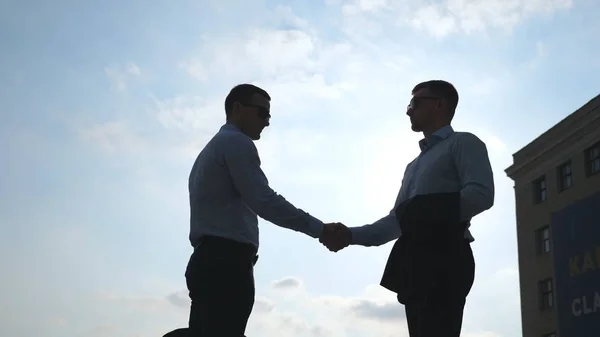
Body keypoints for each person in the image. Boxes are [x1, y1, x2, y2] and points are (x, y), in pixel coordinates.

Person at [320, 80, 495, 337]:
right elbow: (397, 221)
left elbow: (480, 195)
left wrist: (425, 214)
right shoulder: (413, 166)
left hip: (446, 254)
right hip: (415, 261)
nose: (408, 110)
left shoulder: (464, 143)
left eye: (414, 102)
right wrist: (350, 235)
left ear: (439, 104)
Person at [185, 83, 341, 337]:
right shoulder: (236, 143)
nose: (267, 122)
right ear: (237, 108)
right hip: (226, 263)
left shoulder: (210, 151)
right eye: (262, 113)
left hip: (209, 261)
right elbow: (263, 200)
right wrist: (320, 229)